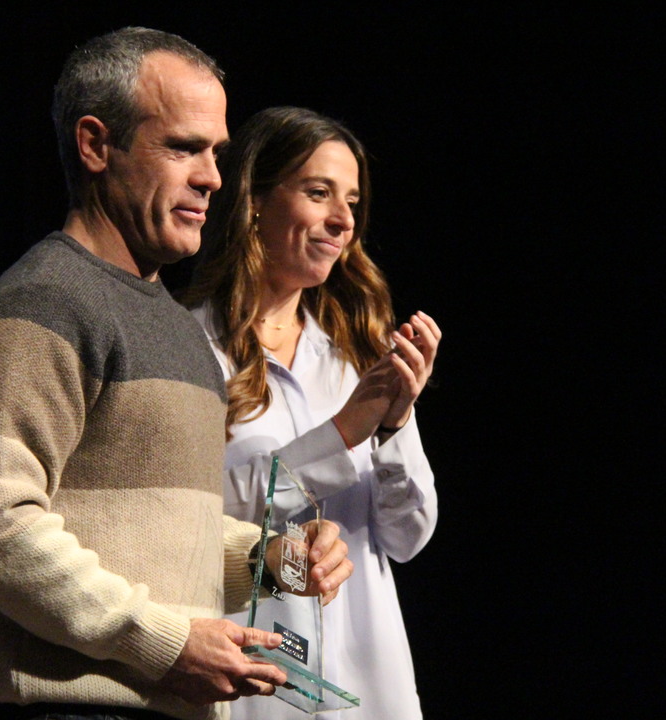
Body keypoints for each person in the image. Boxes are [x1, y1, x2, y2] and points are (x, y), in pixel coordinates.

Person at [0, 30, 353, 720]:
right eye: (184, 148)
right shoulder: (42, 305)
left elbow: (165, 536)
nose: (213, 178)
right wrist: (165, 644)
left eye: (217, 153)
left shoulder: (176, 329)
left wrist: (274, 560)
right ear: (96, 145)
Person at [181, 106, 441, 719]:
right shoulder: (189, 348)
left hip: (368, 685)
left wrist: (394, 423)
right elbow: (187, 521)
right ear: (254, 201)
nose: (343, 220)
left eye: (351, 201)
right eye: (319, 193)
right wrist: (344, 432)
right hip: (258, 688)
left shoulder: (356, 356)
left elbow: (408, 536)